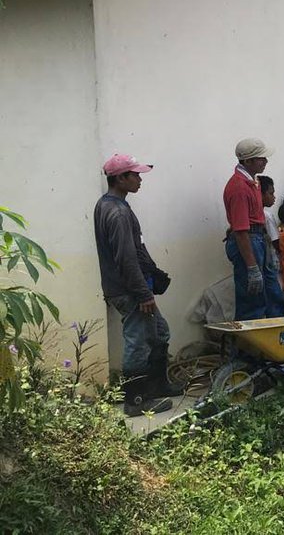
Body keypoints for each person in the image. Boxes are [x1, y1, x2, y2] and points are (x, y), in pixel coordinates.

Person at [93, 154, 183, 417]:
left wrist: (153, 272)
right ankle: (137, 401)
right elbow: (126, 258)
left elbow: (134, 250)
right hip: (129, 291)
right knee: (138, 342)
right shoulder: (118, 212)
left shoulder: (109, 205)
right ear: (120, 178)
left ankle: (158, 386)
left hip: (128, 287)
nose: (140, 180)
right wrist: (143, 293)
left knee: (159, 333)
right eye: (135, 175)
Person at [223, 138, 284, 320]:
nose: (265, 161)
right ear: (248, 161)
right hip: (248, 241)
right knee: (252, 301)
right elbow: (241, 230)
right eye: (261, 158)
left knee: (271, 293)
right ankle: (247, 347)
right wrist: (252, 266)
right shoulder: (240, 188)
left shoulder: (253, 182)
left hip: (257, 238)